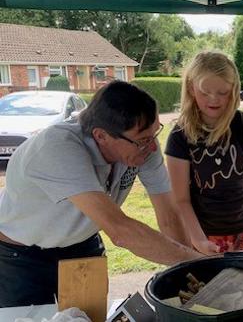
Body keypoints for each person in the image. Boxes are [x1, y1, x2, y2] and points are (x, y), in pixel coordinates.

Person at [0, 80, 203, 307]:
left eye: (154, 134)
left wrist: (191, 274)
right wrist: (199, 262)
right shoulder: (56, 147)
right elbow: (121, 231)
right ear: (101, 136)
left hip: (81, 245)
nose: (154, 147)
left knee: (90, 316)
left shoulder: (143, 147)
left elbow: (169, 216)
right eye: (144, 140)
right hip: (21, 254)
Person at [165, 51, 243, 254]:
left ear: (234, 90)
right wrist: (198, 239)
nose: (213, 99)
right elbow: (180, 199)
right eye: (205, 92)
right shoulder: (179, 136)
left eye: (222, 92)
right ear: (191, 89)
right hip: (203, 236)